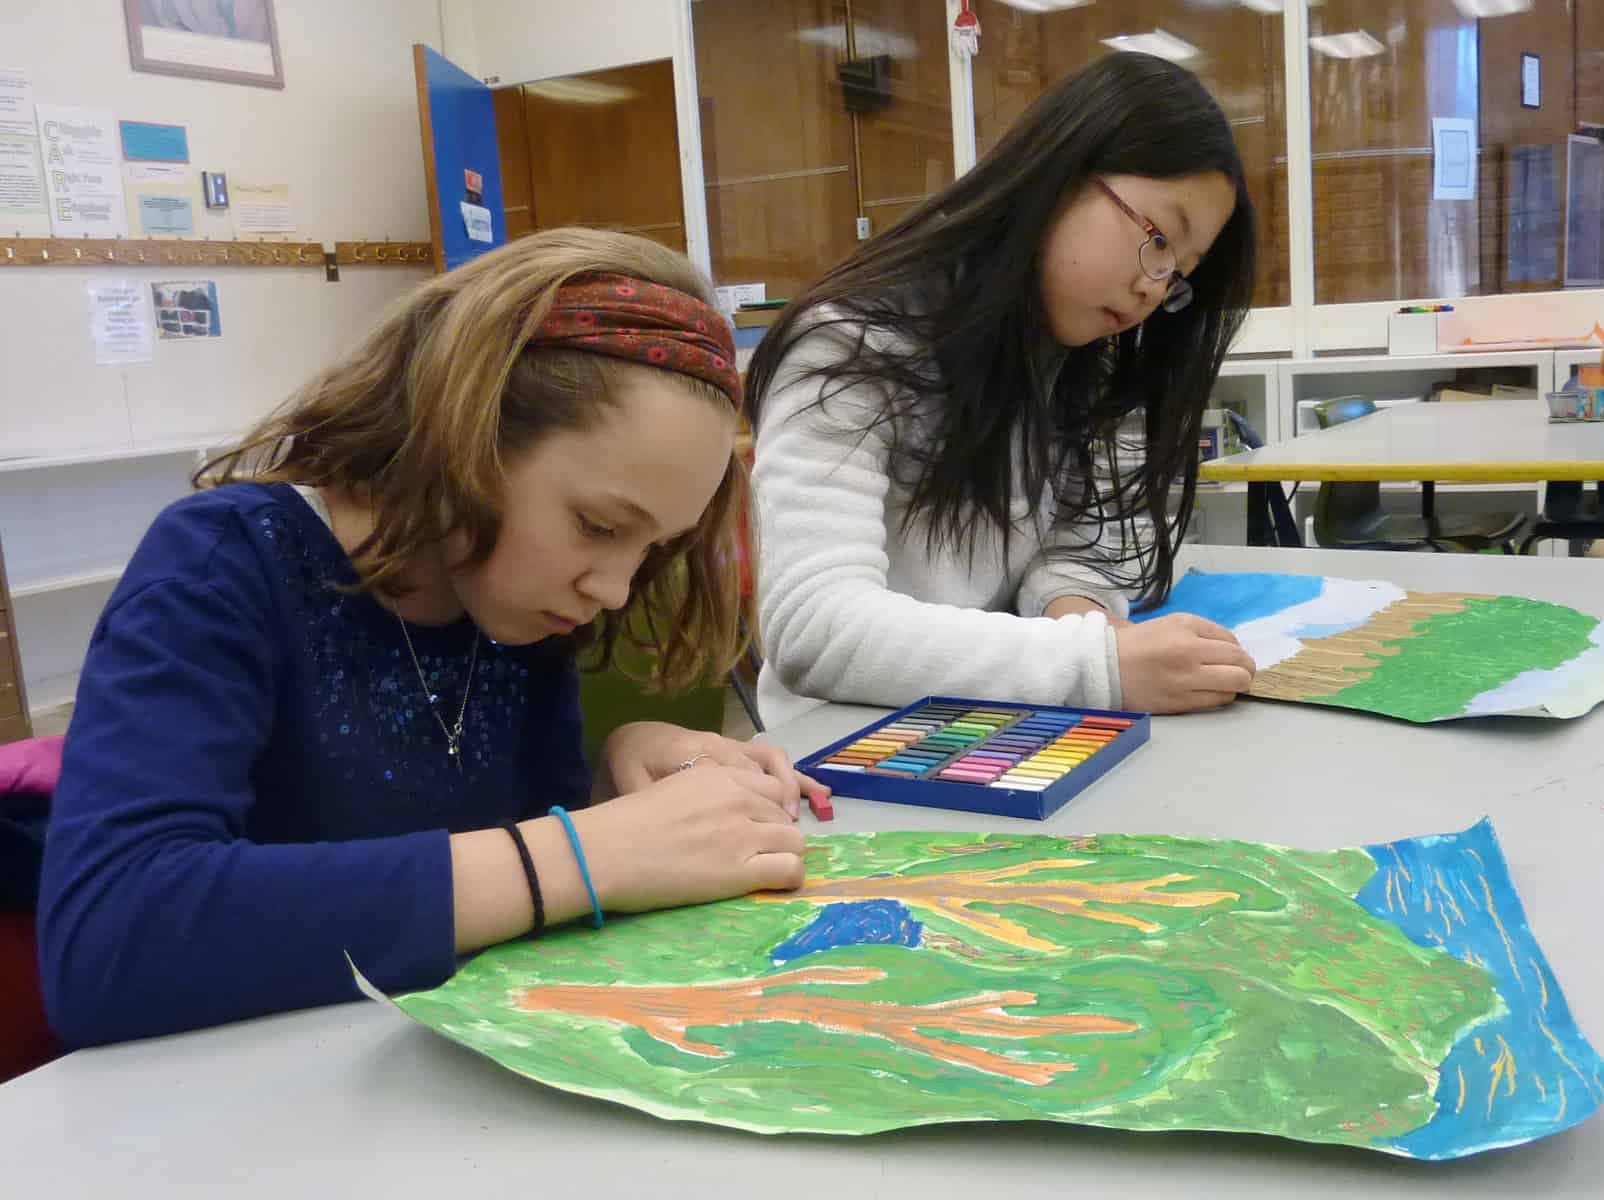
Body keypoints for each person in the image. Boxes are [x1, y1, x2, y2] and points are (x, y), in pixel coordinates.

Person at [38, 228, 821, 1046]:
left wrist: (614, 782)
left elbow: (507, 870)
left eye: (651, 548)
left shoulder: (510, 600)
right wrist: (584, 852)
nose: (615, 587)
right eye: (596, 525)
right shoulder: (222, 564)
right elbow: (107, 945)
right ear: (463, 436)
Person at [747, 52, 1261, 728]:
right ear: (1058, 175)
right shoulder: (848, 345)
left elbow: (1080, 548)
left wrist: (1089, 624)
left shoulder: (1080, 363)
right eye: (1158, 238)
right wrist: (1097, 666)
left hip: (1006, 722)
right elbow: (814, 629)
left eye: (1178, 273)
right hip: (849, 749)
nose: (1153, 286)